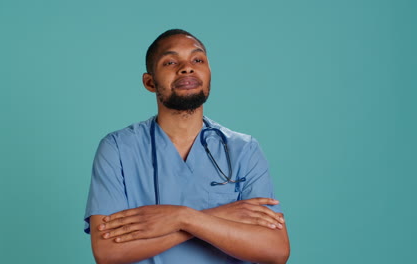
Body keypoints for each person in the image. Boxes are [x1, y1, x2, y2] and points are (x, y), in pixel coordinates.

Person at [84, 29, 290, 264]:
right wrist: (217, 218)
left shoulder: (244, 150)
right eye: (170, 62)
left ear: (209, 73)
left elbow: (275, 249)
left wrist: (182, 218)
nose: (186, 67)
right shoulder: (118, 149)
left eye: (197, 60)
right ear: (150, 82)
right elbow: (108, 252)